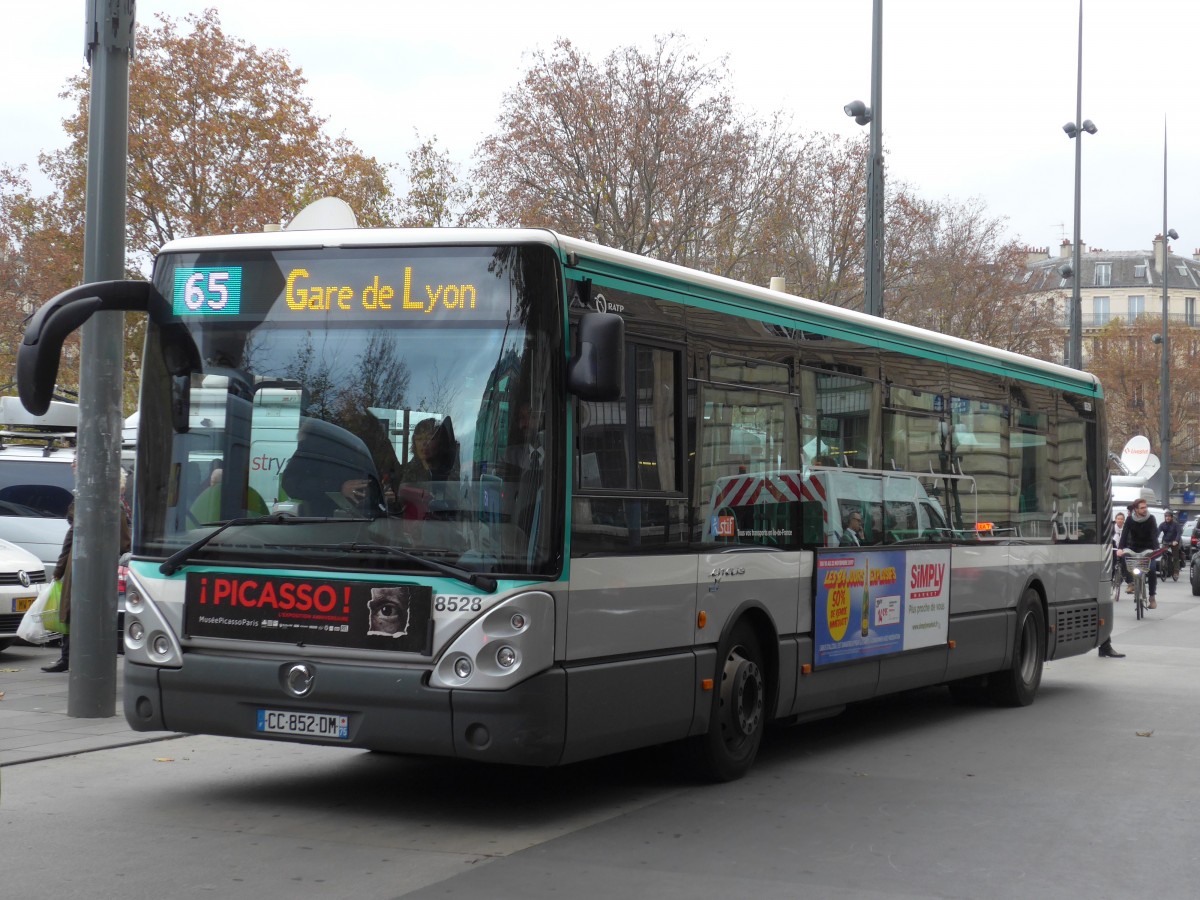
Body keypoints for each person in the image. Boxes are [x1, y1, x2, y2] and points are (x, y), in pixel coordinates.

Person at [43, 468, 133, 673]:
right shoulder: (109, 506)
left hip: (82, 567)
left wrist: (59, 569)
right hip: (92, 568)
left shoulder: (90, 506)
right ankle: (76, 658)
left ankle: (72, 658)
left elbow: (70, 540)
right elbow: (123, 543)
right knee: (82, 612)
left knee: (77, 612)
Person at [1117, 498, 1159, 609]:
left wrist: (1156, 549)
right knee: (1124, 557)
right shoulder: (1130, 520)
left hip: (1148, 549)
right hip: (1133, 548)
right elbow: (1124, 535)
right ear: (1136, 509)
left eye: (1146, 507)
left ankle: (1152, 597)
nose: (1145, 509)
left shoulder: (1151, 519)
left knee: (1153, 569)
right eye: (1142, 508)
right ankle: (1131, 583)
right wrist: (1120, 548)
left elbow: (1154, 535)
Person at [1157, 509, 1182, 578]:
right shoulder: (1162, 524)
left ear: (1171, 517)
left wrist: (1176, 541)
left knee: (1175, 557)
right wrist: (1154, 540)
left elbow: (1179, 533)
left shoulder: (1176, 524)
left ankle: (1176, 571)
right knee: (1163, 554)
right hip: (1165, 541)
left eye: (1169, 516)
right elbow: (1157, 532)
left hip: (1174, 541)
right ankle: (1165, 566)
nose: (1167, 517)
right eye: (1166, 516)